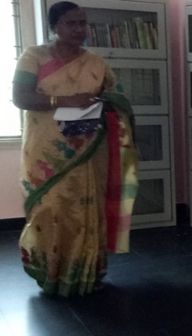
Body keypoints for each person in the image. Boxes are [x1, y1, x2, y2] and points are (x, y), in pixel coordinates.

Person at [12, 1, 138, 297]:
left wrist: (106, 103)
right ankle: (52, 274)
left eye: (83, 23)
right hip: (47, 151)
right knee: (51, 209)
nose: (79, 29)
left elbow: (115, 97)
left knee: (87, 209)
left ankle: (86, 273)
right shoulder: (34, 57)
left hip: (89, 148)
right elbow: (20, 97)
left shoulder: (96, 63)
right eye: (71, 23)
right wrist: (64, 101)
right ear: (54, 26)